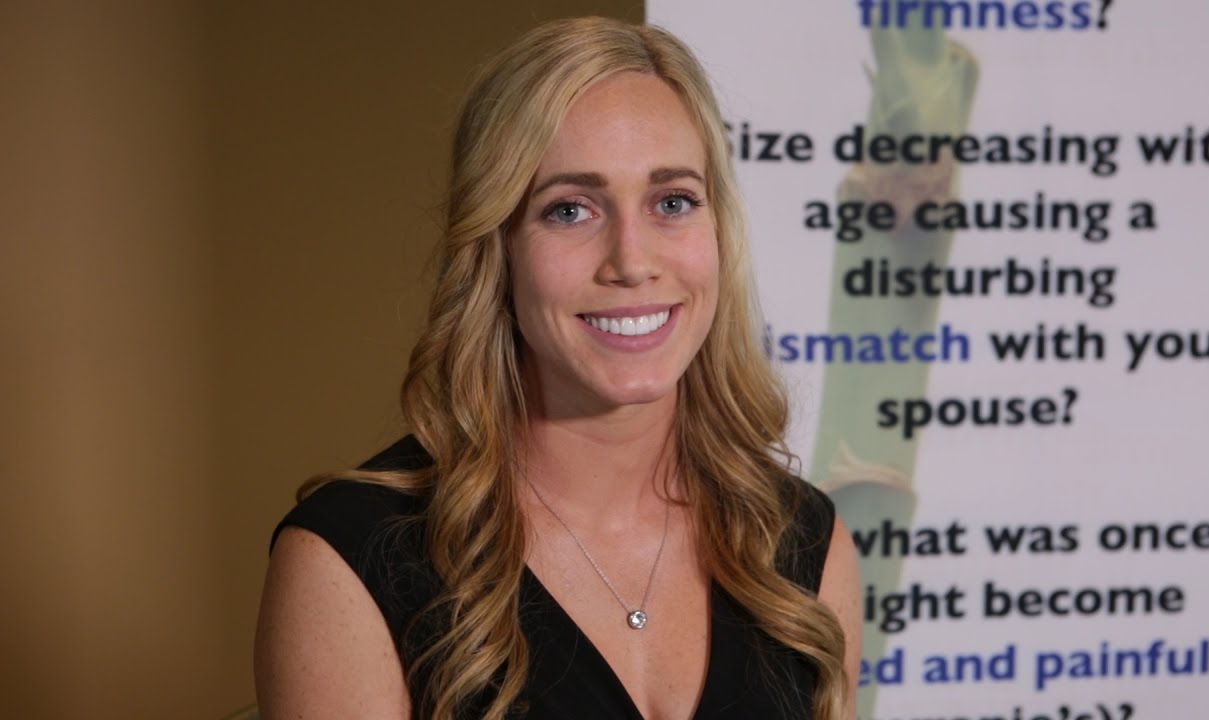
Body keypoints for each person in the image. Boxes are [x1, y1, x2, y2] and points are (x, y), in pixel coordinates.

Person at [254, 16, 860, 720]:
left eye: (673, 202)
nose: (632, 261)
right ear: (497, 248)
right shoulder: (349, 562)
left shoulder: (802, 544)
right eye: (570, 210)